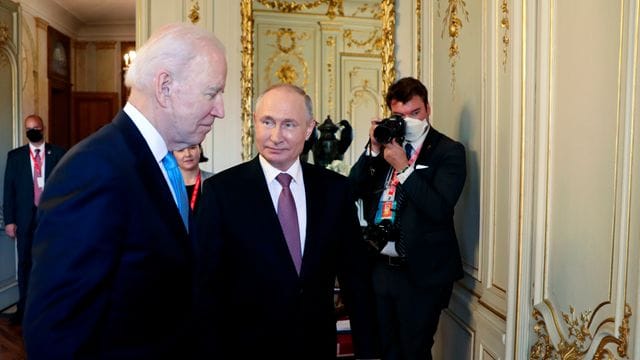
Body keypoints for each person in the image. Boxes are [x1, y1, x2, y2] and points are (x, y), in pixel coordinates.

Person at [23, 23, 227, 359]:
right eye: (212, 93)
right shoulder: (95, 168)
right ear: (165, 86)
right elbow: (55, 331)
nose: (220, 108)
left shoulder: (159, 162)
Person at [196, 84, 379, 359]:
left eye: (289, 124)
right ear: (254, 123)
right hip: (244, 348)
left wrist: (368, 351)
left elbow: (356, 276)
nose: (275, 136)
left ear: (308, 129)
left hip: (315, 346)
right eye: (267, 122)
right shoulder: (221, 192)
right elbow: (205, 286)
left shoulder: (335, 191)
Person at [349, 77, 467, 360]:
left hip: (423, 272)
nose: (410, 120)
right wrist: (374, 150)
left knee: (414, 351)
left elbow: (439, 208)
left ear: (427, 108)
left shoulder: (448, 151)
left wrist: (404, 168)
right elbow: (352, 189)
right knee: (385, 349)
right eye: (401, 115)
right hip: (382, 268)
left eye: (416, 113)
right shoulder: (387, 146)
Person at [2, 114, 65, 325]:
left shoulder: (57, 153)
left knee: (51, 260)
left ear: (43, 128)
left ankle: (51, 307)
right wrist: (9, 221)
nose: (32, 131)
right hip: (24, 218)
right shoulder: (16, 156)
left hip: (51, 218)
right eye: (28, 128)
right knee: (25, 262)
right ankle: (25, 309)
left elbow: (66, 187)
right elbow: (8, 190)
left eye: (36, 127)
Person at [173, 143, 213, 215]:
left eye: (192, 148)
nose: (187, 154)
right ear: (172, 154)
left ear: (200, 149)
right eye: (180, 150)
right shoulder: (166, 184)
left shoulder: (215, 181)